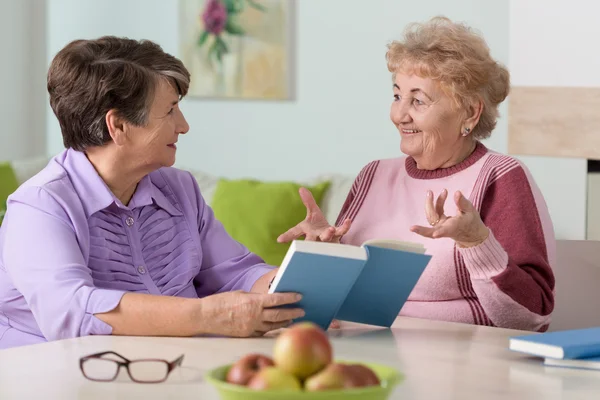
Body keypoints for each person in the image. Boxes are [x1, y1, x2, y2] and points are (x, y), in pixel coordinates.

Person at [0, 36, 304, 349]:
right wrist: (207, 316)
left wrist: (309, 273)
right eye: (170, 110)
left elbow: (236, 274)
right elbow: (72, 311)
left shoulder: (178, 188)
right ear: (118, 126)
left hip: (177, 370)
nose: (183, 125)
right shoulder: (40, 206)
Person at [279, 17, 555, 332]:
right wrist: (321, 253)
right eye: (397, 96)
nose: (399, 114)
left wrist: (476, 241)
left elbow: (532, 317)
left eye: (418, 101)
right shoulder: (374, 175)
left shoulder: (500, 177)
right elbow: (340, 302)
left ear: (470, 112)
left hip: (458, 362)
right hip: (361, 350)